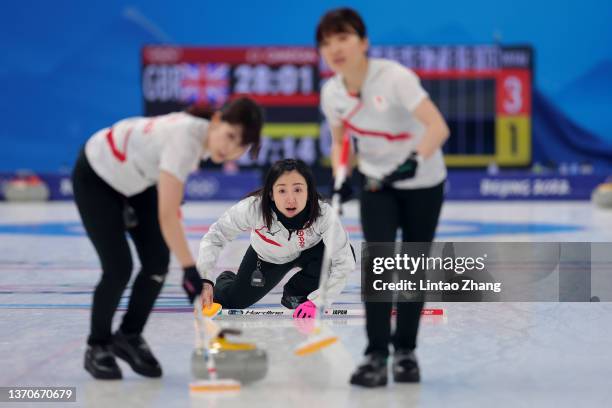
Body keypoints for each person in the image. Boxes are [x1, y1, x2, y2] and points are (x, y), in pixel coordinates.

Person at [72, 97, 263, 380]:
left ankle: (129, 335)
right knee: (118, 268)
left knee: (157, 263)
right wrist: (190, 270)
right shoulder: (186, 138)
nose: (230, 149)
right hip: (97, 175)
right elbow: (167, 217)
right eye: (230, 136)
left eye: (240, 146)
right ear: (216, 121)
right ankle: (97, 345)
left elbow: (168, 207)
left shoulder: (200, 139)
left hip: (137, 181)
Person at [316, 8, 450, 387]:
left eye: (342, 38)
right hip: (376, 182)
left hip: (423, 180)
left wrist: (413, 161)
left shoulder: (395, 78)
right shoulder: (332, 93)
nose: (335, 48)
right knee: (378, 265)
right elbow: (342, 143)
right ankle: (376, 353)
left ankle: (405, 350)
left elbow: (438, 127)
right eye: (326, 43)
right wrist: (341, 174)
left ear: (363, 42)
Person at [196, 159, 355, 317]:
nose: (291, 199)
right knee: (231, 302)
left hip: (312, 253)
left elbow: (344, 261)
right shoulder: (252, 208)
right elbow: (215, 236)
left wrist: (318, 302)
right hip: (267, 258)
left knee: (343, 253)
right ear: (271, 193)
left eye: (298, 190)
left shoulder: (324, 214)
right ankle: (227, 280)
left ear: (309, 192)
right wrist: (205, 280)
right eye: (282, 191)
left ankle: (296, 293)